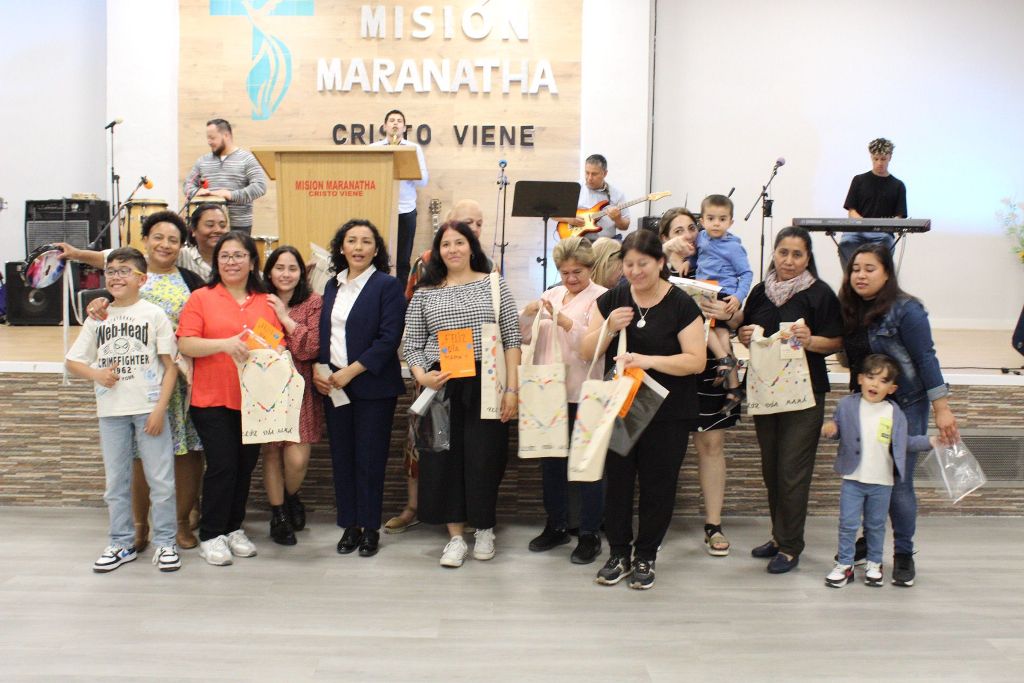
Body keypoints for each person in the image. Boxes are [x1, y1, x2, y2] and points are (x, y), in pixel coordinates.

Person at [581, 230, 706, 590]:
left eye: (643, 264)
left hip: (668, 411)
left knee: (658, 485)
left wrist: (648, 360)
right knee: (618, 484)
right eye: (629, 264)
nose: (635, 271)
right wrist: (609, 327)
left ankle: (646, 555)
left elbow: (696, 361)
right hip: (621, 406)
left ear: (661, 263)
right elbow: (586, 352)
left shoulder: (682, 304)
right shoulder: (612, 300)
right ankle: (618, 553)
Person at [84, 212, 207, 552]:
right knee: (139, 455)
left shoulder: (191, 280)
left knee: (185, 452)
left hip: (178, 381)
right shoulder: (130, 277)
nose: (165, 244)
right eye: (158, 237)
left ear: (181, 246)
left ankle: (180, 523)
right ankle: (140, 525)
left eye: (173, 239)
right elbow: (109, 307)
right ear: (146, 240)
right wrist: (99, 304)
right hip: (134, 383)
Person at [838, 242, 959, 586]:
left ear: (887, 273)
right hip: (864, 404)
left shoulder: (907, 310)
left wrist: (942, 408)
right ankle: (869, 542)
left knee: (899, 481)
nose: (860, 275)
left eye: (869, 269)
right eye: (855, 269)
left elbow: (926, 359)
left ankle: (904, 553)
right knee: (867, 474)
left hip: (905, 404)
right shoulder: (850, 308)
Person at [404, 220, 521, 568]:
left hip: (486, 381)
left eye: (459, 242)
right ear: (437, 252)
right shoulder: (425, 293)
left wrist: (512, 389)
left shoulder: (494, 284)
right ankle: (455, 537)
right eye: (445, 244)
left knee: (486, 458)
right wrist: (423, 376)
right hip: (442, 384)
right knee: (444, 460)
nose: (452, 249)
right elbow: (411, 344)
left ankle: (484, 529)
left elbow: (512, 339)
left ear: (472, 247)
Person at [734, 226, 844, 574]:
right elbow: (744, 331)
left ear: (808, 258)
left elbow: (837, 341)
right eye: (783, 252)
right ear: (775, 254)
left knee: (792, 471)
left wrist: (810, 340)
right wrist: (744, 334)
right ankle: (779, 536)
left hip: (805, 395)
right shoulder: (760, 292)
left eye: (797, 254)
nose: (789, 260)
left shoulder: (819, 293)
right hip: (766, 390)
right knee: (771, 469)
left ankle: (791, 547)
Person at [65, 247, 181, 573]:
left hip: (148, 409)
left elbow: (171, 367)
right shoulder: (98, 318)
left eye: (124, 271)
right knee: (116, 483)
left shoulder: (154, 314)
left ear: (141, 279)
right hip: (111, 412)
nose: (116, 277)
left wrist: (159, 409)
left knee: (161, 481)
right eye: (111, 271)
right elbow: (73, 361)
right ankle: (121, 542)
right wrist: (97, 374)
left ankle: (166, 543)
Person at [177, 231, 283, 566]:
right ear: (216, 262)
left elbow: (276, 343)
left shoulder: (265, 301)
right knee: (222, 465)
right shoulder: (201, 298)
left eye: (239, 255)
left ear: (252, 262)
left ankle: (233, 527)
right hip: (211, 398)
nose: (231, 262)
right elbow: (186, 343)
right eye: (225, 256)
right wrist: (223, 344)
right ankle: (211, 534)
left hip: (254, 401)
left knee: (244, 467)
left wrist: (274, 351)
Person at [388, 199, 491, 534]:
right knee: (426, 443)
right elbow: (414, 318)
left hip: (477, 376)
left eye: (478, 223)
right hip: (436, 374)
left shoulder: (488, 268)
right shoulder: (426, 263)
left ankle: (470, 514)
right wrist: (421, 371)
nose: (473, 229)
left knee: (473, 450)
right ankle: (415, 507)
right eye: (467, 222)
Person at [315, 220, 406, 558]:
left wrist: (350, 372)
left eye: (366, 241)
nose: (358, 247)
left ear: (376, 249)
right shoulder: (332, 286)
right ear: (341, 247)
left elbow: (388, 338)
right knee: (342, 458)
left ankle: (369, 528)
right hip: (334, 387)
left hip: (372, 387)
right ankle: (349, 525)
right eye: (351, 240)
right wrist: (322, 371)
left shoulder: (387, 285)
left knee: (370, 459)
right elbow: (325, 334)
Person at [518, 236, 607, 564]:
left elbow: (595, 346)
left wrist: (565, 320)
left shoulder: (602, 298)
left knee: (588, 466)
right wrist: (529, 313)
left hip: (585, 391)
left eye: (577, 272)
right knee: (552, 465)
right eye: (565, 272)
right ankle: (555, 525)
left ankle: (589, 533)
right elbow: (524, 336)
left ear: (590, 268)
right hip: (548, 392)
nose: (570, 278)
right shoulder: (550, 295)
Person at [657, 211, 737, 556]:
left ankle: (713, 524)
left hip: (710, 369)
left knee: (712, 446)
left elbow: (735, 315)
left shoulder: (712, 264)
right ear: (664, 237)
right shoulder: (655, 269)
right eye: (678, 230)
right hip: (668, 366)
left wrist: (728, 311)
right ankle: (655, 526)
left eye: (692, 228)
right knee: (662, 451)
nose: (688, 234)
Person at [821, 354, 938, 588]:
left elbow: (905, 442)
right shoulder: (847, 405)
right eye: (870, 377)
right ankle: (845, 564)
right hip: (852, 479)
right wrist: (831, 429)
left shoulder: (894, 413)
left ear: (892, 388)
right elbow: (838, 430)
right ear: (860, 379)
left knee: (875, 526)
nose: (875, 384)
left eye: (883, 380)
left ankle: (874, 563)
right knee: (847, 524)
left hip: (882, 482)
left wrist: (931, 441)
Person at [261, 246, 323, 546]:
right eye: (279, 267)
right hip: (265, 389)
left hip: (301, 389)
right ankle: (278, 515)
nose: (285, 274)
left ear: (301, 273)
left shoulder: (313, 302)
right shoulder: (258, 300)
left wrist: (285, 318)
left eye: (292, 268)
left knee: (297, 459)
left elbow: (310, 348)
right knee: (271, 453)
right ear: (269, 272)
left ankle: (290, 496)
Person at [696, 194, 753, 411]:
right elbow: (699, 257)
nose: (716, 224)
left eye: (722, 219)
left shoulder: (733, 247)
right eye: (711, 218)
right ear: (702, 220)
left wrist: (738, 297)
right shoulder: (701, 238)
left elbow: (746, 273)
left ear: (730, 222)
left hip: (723, 293)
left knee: (702, 325)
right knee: (720, 334)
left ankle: (723, 360)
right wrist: (687, 262)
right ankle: (734, 388)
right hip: (705, 289)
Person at [371, 109, 429, 286]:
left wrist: (409, 167)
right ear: (384, 126)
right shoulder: (374, 149)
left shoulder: (413, 149)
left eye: (399, 121)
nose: (395, 123)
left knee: (403, 260)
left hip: (406, 210)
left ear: (404, 127)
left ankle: (401, 296)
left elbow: (423, 181)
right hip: (380, 210)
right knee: (377, 257)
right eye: (391, 120)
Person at [183, 118, 268, 235]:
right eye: (208, 138)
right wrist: (196, 192)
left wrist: (230, 195)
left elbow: (260, 186)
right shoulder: (203, 161)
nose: (209, 142)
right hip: (208, 228)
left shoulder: (246, 159)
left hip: (238, 226)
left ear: (226, 135)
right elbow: (187, 185)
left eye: (212, 138)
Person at [839, 137, 907, 268]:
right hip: (856, 231)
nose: (879, 163)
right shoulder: (859, 180)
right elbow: (852, 211)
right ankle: (851, 277)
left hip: (882, 234)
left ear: (890, 157)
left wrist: (883, 226)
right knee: (846, 244)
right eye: (876, 159)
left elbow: (899, 217)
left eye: (883, 159)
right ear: (871, 157)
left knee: (884, 246)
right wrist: (864, 224)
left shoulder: (898, 186)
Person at [556, 154, 630, 241]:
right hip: (578, 242)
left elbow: (625, 226)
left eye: (594, 174)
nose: (589, 178)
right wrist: (570, 219)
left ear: (605, 173)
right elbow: (553, 214)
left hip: (606, 243)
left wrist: (618, 219)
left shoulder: (617, 194)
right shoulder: (575, 188)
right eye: (587, 173)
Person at [658, 207, 699, 277]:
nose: (689, 236)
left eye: (692, 228)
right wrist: (665, 248)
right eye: (679, 231)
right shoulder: (661, 268)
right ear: (665, 238)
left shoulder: (710, 261)